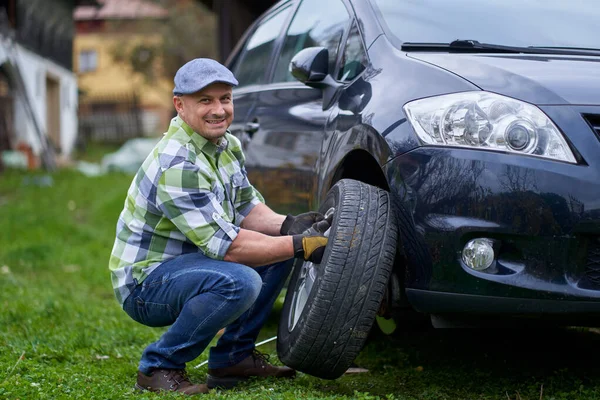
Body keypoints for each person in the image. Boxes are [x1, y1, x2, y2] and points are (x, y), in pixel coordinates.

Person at [109, 58, 331, 395]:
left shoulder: (226, 146)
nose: (218, 110)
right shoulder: (178, 163)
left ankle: (233, 358)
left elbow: (246, 206)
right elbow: (230, 248)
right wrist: (302, 244)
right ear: (179, 105)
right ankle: (159, 366)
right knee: (240, 281)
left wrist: (288, 225)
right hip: (146, 284)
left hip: (190, 265)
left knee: (279, 245)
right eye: (205, 101)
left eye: (224, 99)